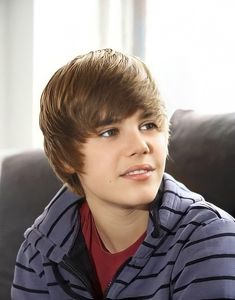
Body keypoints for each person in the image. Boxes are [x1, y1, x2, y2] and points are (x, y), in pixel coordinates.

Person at [12, 48, 235, 299]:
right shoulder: (40, 250)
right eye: (109, 132)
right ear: (66, 157)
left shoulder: (210, 240)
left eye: (148, 125)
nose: (141, 145)